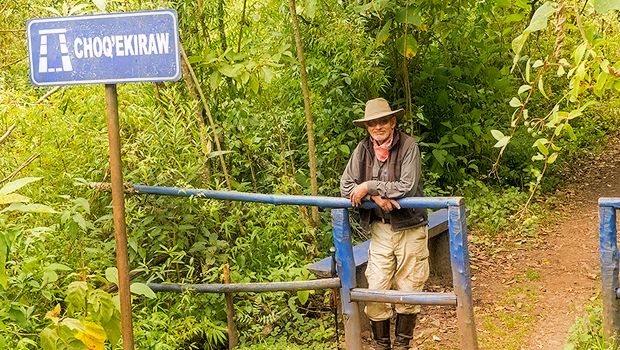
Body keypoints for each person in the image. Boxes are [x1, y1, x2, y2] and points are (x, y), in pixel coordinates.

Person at [340, 98, 429, 350]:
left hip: (410, 226)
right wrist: (374, 197)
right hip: (381, 229)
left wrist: (368, 186)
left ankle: (402, 345)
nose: (377, 127)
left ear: (393, 122)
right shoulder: (363, 150)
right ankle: (382, 346)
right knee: (375, 287)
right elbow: (346, 185)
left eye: (382, 121)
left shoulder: (409, 146)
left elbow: (406, 186)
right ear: (367, 127)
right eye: (372, 123)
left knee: (409, 287)